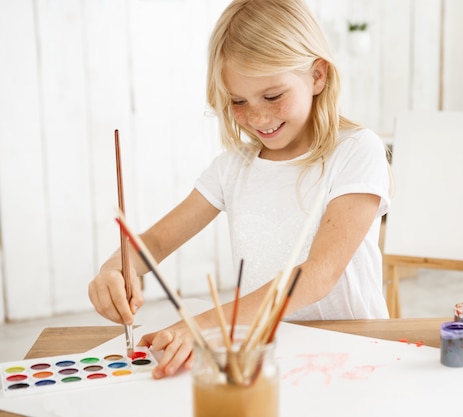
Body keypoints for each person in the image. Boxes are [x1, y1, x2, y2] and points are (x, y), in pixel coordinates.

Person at [88, 0, 391, 379]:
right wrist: (114, 270)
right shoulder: (232, 169)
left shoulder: (357, 150)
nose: (259, 117)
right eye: (238, 101)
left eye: (272, 95)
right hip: (262, 356)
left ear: (317, 76)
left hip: (355, 355)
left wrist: (208, 323)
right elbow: (155, 242)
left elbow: (319, 274)